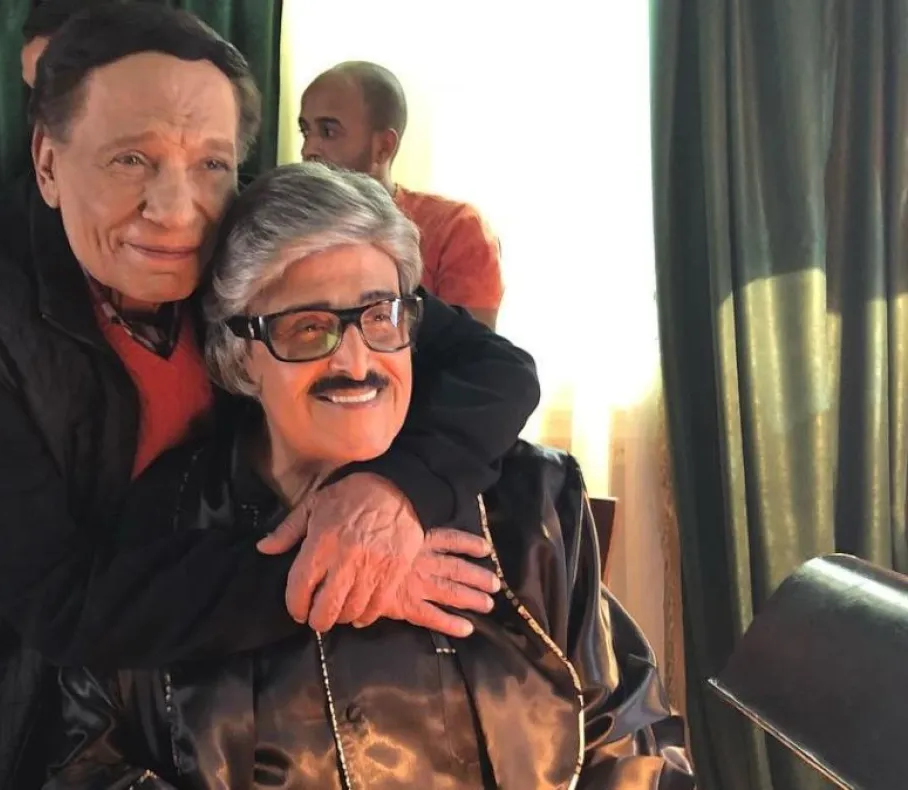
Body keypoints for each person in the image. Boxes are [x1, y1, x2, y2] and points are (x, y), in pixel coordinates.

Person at [0, 6, 539, 790]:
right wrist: (329, 577)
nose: (175, 211)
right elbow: (57, 601)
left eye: (211, 164)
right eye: (130, 159)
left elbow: (494, 368)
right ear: (49, 162)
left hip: (215, 677)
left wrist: (394, 490)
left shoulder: (246, 244)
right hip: (18, 681)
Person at [49, 161, 694, 789]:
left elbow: (630, 744)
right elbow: (89, 761)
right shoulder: (163, 522)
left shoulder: (531, 504)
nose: (356, 363)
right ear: (240, 356)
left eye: (381, 317)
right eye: (308, 328)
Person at [300, 61, 504, 328]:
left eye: (328, 132)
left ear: (383, 147)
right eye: (305, 131)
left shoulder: (454, 227)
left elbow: (471, 348)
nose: (308, 150)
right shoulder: (290, 228)